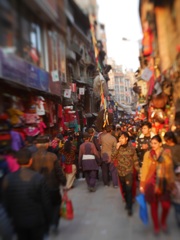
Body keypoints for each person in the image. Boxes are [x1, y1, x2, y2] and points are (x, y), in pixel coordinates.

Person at [2, 148, 51, 240]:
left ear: (16, 161)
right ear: (31, 160)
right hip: (36, 221)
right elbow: (46, 203)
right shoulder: (38, 178)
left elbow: (6, 203)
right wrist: (48, 220)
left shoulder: (8, 179)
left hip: (18, 221)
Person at [140, 135, 175, 235]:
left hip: (163, 182)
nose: (152, 145)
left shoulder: (166, 153)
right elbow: (145, 169)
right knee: (154, 206)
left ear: (160, 143)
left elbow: (169, 169)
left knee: (166, 206)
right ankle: (156, 226)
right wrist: (142, 184)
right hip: (151, 183)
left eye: (155, 143)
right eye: (151, 143)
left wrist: (172, 183)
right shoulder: (148, 154)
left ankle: (163, 222)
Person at [31, 135, 66, 234]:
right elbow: (59, 172)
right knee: (56, 205)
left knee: (42, 207)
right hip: (53, 186)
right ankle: (54, 223)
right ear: (47, 145)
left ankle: (46, 227)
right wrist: (64, 182)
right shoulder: (52, 156)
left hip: (38, 187)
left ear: (37, 145)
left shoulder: (32, 157)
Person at [112, 132, 139, 216]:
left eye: (122, 138)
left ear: (126, 138)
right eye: (119, 138)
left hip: (129, 172)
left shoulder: (131, 148)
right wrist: (116, 147)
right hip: (120, 172)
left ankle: (130, 208)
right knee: (124, 189)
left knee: (129, 189)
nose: (120, 139)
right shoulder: (117, 147)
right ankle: (127, 202)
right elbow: (112, 157)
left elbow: (135, 160)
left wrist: (138, 171)